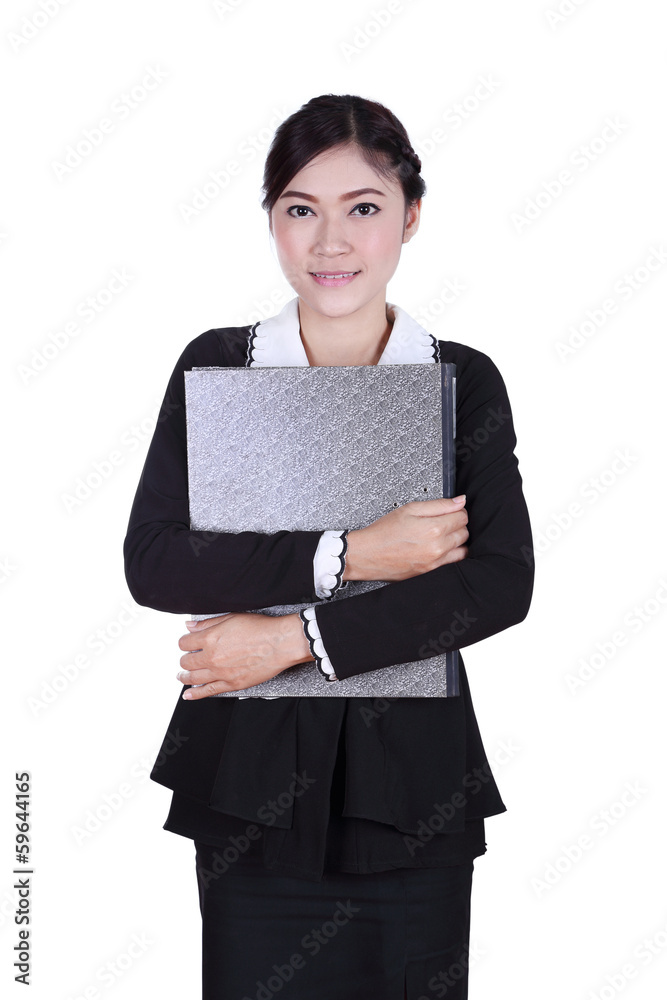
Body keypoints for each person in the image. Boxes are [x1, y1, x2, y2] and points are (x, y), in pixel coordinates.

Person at [123, 93, 534, 1000]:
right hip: (249, 776)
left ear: (409, 217)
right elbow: (156, 559)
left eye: (363, 208)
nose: (330, 243)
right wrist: (350, 553)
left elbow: (497, 584)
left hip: (411, 785)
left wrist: (289, 640)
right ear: (271, 221)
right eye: (300, 211)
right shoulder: (221, 365)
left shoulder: (460, 380)